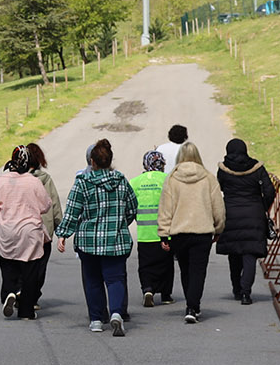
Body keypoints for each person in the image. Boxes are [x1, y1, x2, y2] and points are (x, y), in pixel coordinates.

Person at [56, 139, 136, 336]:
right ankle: (116, 313)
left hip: (88, 242)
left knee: (92, 280)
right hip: (116, 241)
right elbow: (132, 207)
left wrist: (63, 234)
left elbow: (73, 211)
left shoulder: (83, 183)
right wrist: (119, 223)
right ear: (109, 160)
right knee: (115, 279)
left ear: (92, 162)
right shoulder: (121, 180)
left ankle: (96, 320)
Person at [157, 141, 223, 323]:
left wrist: (164, 233)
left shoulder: (171, 179)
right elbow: (218, 207)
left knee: (185, 270)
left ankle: (191, 304)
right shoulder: (208, 178)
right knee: (198, 271)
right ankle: (193, 306)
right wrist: (219, 228)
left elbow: (165, 209)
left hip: (179, 232)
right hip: (202, 232)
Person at [0, 145, 53, 319]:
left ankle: (10, 291)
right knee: (30, 269)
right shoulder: (34, 182)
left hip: (7, 230)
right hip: (29, 230)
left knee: (8, 263)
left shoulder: (2, 180)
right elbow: (46, 205)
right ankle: (26, 310)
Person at [216, 138, 277, 305]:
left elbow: (218, 189)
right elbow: (270, 190)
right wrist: (262, 205)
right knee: (250, 254)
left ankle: (236, 289)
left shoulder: (223, 170)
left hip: (231, 214)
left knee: (234, 254)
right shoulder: (257, 168)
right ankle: (245, 293)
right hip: (254, 214)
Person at [131, 151, 174, 309]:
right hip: (165, 232)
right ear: (162, 164)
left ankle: (147, 289)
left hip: (144, 233)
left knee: (145, 264)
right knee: (166, 264)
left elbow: (130, 205)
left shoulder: (135, 182)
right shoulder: (168, 180)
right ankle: (166, 295)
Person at [27, 142, 62, 300]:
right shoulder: (45, 179)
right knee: (40, 265)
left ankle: (22, 290)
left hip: (23, 228)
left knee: (23, 262)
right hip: (44, 230)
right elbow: (54, 203)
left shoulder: (18, 179)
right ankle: (33, 296)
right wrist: (60, 228)